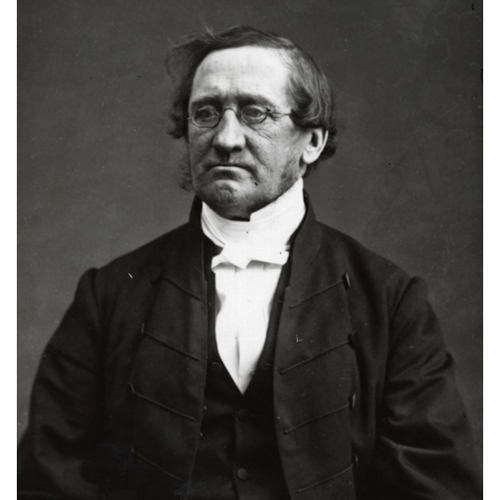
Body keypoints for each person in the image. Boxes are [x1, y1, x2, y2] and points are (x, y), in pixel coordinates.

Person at [18, 26, 481, 500]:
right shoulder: (109, 294)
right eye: (206, 113)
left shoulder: (390, 301)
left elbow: (435, 486)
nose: (225, 138)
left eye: (255, 112)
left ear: (312, 141)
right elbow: (49, 478)